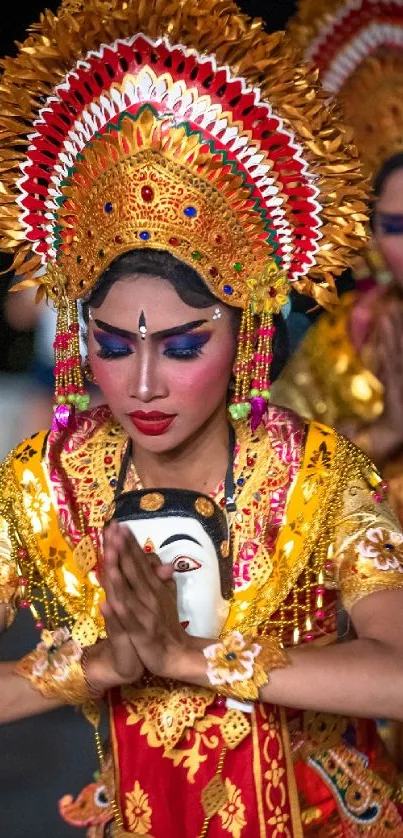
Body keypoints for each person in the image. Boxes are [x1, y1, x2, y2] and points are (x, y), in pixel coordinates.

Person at [1, 1, 403, 836]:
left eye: (182, 347)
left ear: (248, 331)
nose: (142, 383)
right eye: (111, 346)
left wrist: (195, 659)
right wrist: (94, 666)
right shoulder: (42, 487)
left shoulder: (315, 472)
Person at [274, 2, 403, 530]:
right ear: (371, 238)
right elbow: (283, 475)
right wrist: (388, 431)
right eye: (396, 227)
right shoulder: (341, 339)